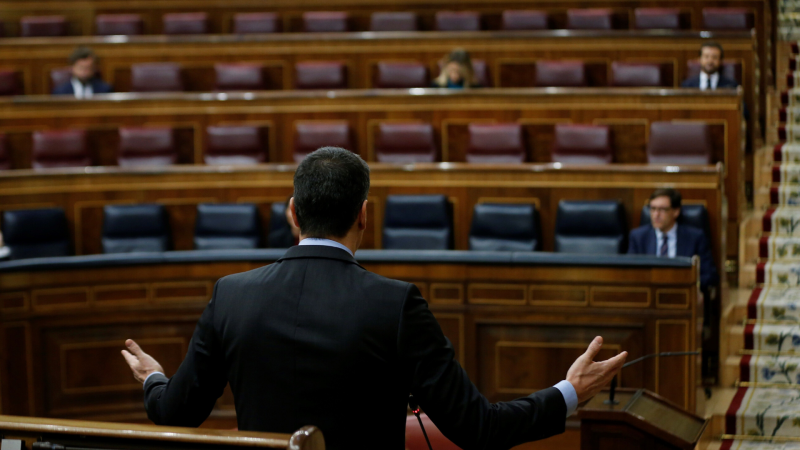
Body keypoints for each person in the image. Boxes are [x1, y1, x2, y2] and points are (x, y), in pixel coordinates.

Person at [121, 147, 626, 450]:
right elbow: (478, 428)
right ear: (364, 215)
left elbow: (174, 414)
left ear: (292, 213)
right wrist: (569, 392)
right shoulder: (396, 304)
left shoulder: (231, 296)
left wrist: (154, 379)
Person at [628, 188, 719, 289]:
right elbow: (630, 274)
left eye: (662, 209)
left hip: (682, 292)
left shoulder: (695, 237)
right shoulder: (638, 237)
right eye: (653, 209)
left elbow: (710, 275)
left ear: (676, 211)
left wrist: (684, 284)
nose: (656, 215)